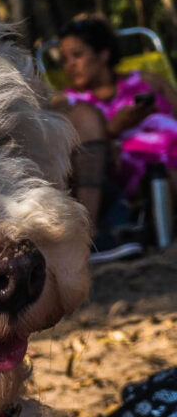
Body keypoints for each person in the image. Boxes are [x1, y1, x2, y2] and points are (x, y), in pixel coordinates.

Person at [56, 17, 177, 261]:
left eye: (77, 55)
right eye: (65, 59)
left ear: (103, 53)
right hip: (136, 174)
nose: (69, 65)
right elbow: (78, 155)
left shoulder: (147, 81)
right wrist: (114, 128)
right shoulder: (67, 103)